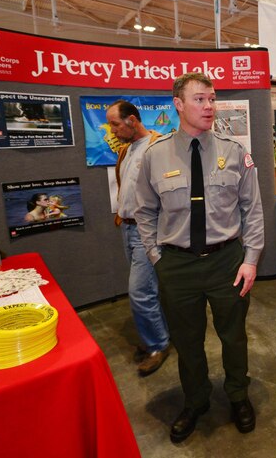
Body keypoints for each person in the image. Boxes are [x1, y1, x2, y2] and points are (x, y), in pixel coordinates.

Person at [134, 73, 264, 443]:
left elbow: (251, 209)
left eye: (212, 99)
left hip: (227, 262)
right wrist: (157, 257)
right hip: (177, 266)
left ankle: (238, 395)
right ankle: (196, 401)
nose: (209, 107)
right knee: (187, 342)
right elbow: (144, 212)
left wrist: (251, 259)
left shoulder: (234, 152)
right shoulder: (154, 156)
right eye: (200, 100)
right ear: (178, 104)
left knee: (234, 337)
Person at [106, 99, 171, 377]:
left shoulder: (159, 147)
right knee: (149, 290)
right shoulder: (125, 151)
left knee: (140, 292)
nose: (112, 131)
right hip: (127, 228)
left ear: (133, 120)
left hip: (148, 231)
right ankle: (158, 335)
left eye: (116, 124)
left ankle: (158, 345)